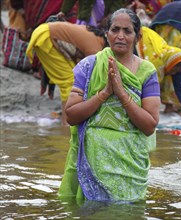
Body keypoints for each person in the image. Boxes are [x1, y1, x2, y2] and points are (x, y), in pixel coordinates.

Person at [58, 8, 160, 201]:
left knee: (127, 210)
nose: (120, 36)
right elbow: (70, 115)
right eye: (115, 30)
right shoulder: (89, 66)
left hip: (130, 162)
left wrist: (122, 94)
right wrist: (104, 93)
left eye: (127, 31)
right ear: (106, 34)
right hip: (93, 159)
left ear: (137, 37)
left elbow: (149, 126)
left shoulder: (147, 71)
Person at [26, 21, 105, 125]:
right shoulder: (96, 48)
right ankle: (67, 125)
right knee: (70, 82)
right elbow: (93, 78)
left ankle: (66, 118)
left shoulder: (94, 36)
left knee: (71, 81)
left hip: (44, 32)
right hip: (46, 37)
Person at [136, 26, 181, 121]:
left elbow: (180, 89)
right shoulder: (154, 64)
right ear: (171, 64)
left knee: (168, 79)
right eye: (174, 70)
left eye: (177, 71)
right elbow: (151, 89)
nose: (174, 73)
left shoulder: (175, 62)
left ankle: (168, 106)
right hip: (143, 40)